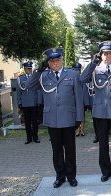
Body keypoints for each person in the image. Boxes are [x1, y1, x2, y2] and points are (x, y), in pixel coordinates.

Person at [25, 48, 83, 188]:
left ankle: (71, 176)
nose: (55, 63)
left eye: (57, 60)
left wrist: (79, 117)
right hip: (52, 119)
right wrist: (39, 69)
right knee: (56, 150)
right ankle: (60, 176)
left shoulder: (72, 74)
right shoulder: (43, 75)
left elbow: (79, 98)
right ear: (48, 63)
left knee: (70, 150)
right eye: (52, 61)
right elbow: (28, 86)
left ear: (62, 60)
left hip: (69, 118)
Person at [80, 41, 111, 182]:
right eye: (105, 53)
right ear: (101, 54)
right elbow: (82, 79)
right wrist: (92, 63)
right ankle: (105, 172)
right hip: (100, 113)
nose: (108, 56)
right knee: (103, 144)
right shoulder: (95, 69)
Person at [17, 61, 40, 144]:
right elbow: (18, 92)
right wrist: (19, 102)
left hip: (34, 102)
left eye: (30, 68)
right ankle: (28, 138)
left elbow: (38, 90)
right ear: (24, 69)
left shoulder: (35, 77)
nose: (29, 70)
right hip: (25, 103)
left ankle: (35, 137)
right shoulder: (20, 78)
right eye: (27, 69)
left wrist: (39, 101)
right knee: (27, 122)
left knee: (35, 122)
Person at [72, 63, 86, 137]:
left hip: (81, 100)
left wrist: (85, 102)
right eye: (75, 70)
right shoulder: (71, 78)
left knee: (82, 116)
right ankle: (76, 130)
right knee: (74, 116)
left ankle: (82, 130)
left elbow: (84, 91)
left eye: (78, 70)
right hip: (73, 100)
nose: (77, 71)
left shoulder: (82, 78)